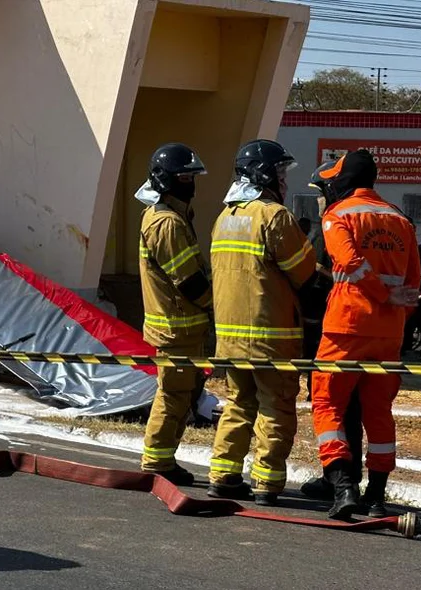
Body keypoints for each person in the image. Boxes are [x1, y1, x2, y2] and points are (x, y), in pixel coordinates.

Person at [310, 149, 420, 520]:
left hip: (346, 327)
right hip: (389, 333)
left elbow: (349, 262)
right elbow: (414, 282)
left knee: (328, 405)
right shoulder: (401, 220)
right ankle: (376, 495)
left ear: (343, 180)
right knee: (378, 412)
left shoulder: (337, 215)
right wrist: (393, 305)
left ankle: (343, 489)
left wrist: (380, 294)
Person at [207, 139, 316, 506]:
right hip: (272, 337)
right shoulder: (274, 217)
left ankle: (223, 475)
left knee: (238, 405)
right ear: (264, 174)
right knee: (276, 407)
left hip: (231, 339)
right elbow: (303, 273)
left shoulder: (224, 218)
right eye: (281, 173)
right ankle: (267, 484)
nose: (284, 181)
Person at [134, 143, 212, 485]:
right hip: (176, 328)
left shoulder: (176, 216)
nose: (190, 182)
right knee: (173, 394)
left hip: (185, 327)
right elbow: (190, 283)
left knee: (185, 395)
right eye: (184, 177)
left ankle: (164, 459)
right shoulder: (166, 223)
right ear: (166, 180)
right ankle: (157, 461)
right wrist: (219, 306)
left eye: (192, 176)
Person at [298, 159, 364, 503]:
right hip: (372, 329)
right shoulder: (377, 217)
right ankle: (355, 478)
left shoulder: (336, 222)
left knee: (330, 405)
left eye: (322, 192)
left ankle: (338, 480)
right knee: (355, 407)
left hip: (334, 328)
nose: (321, 200)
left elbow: (317, 279)